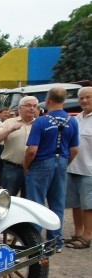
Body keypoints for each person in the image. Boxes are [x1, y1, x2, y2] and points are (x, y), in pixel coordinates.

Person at [24, 87, 80, 252]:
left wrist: (26, 165)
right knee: (57, 203)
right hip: (61, 161)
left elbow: (32, 149)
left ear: (48, 100)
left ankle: (33, 242)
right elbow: (75, 149)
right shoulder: (72, 121)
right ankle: (55, 241)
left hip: (41, 162)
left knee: (36, 203)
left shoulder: (41, 121)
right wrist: (65, 162)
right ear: (63, 100)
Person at [0, 97, 38, 197]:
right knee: (7, 200)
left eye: (34, 106)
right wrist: (10, 130)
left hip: (32, 168)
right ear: (20, 108)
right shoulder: (9, 122)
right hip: (12, 168)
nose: (32, 108)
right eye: (28, 105)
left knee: (29, 202)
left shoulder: (39, 124)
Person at [64, 86, 92, 250]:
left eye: (88, 97)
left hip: (89, 170)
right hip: (73, 167)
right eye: (81, 98)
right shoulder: (76, 119)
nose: (84, 101)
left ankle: (87, 236)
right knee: (75, 203)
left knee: (88, 205)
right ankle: (78, 232)